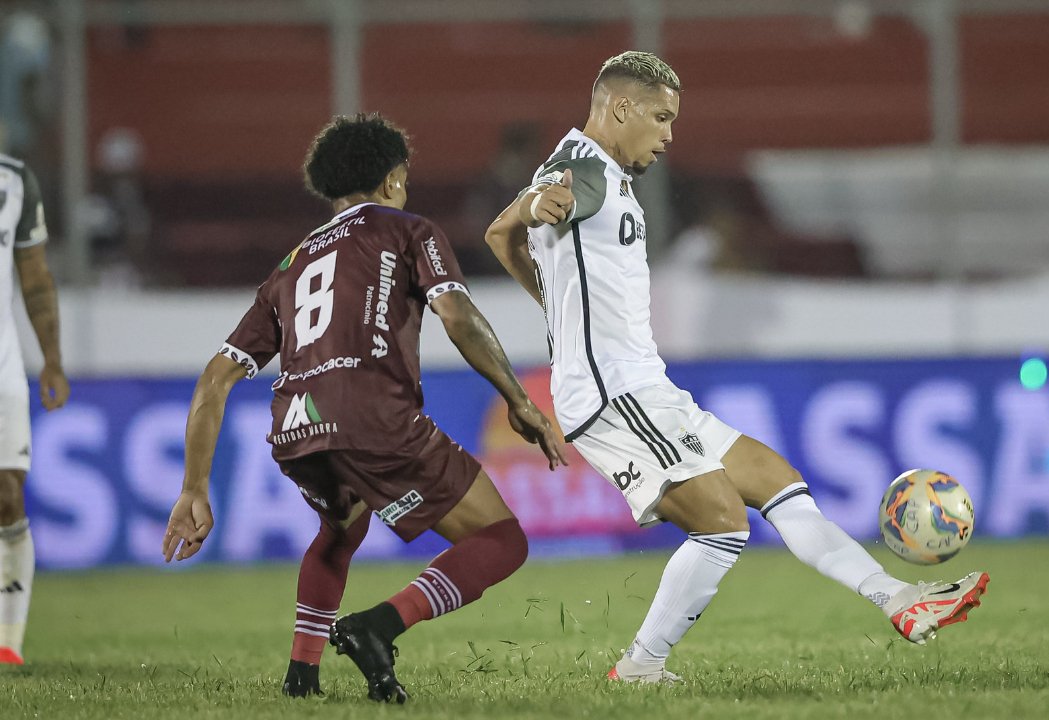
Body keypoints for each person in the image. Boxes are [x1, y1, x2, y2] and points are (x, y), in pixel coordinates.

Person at [484, 51, 988, 683]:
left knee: (780, 484)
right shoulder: (583, 169)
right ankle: (641, 667)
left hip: (647, 388)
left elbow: (497, 234)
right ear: (619, 108)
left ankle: (900, 600)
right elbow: (540, 203)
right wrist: (543, 203)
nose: (669, 136)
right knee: (722, 524)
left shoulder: (599, 170)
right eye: (661, 118)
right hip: (613, 395)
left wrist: (554, 303)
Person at [162, 114, 566, 703]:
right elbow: (457, 316)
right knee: (503, 541)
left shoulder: (289, 266)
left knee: (339, 528)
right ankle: (379, 625)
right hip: (374, 416)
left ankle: (301, 676)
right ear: (393, 178)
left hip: (297, 430)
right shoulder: (408, 229)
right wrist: (519, 398)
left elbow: (213, 381)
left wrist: (194, 488)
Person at [0, 153, 70, 666]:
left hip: (2, 362)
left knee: (7, 493)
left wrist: (51, 359)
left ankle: (8, 640)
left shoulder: (15, 179)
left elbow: (36, 277)